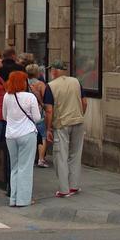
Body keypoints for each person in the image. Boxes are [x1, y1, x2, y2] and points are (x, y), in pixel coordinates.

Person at [46, 61, 86, 198]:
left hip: (61, 123)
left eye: (51, 70)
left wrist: (48, 128)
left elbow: (49, 110)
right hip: (78, 121)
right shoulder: (76, 81)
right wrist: (80, 114)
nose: (51, 72)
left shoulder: (51, 86)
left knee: (61, 155)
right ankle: (74, 186)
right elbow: (84, 102)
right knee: (76, 154)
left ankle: (64, 189)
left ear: (55, 71)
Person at [2, 71, 42, 207]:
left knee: (15, 167)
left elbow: (4, 116)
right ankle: (23, 199)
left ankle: (13, 199)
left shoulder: (7, 96)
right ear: (23, 82)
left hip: (11, 135)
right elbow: (36, 118)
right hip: (27, 133)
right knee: (25, 167)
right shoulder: (30, 97)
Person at [25, 64, 52, 168]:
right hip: (39, 112)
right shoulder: (41, 84)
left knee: (28, 135)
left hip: (27, 112)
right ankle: (41, 159)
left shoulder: (24, 82)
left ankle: (29, 158)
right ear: (37, 72)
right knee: (42, 136)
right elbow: (46, 98)